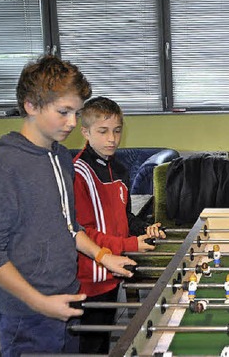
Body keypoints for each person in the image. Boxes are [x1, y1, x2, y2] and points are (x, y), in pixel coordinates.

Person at [0, 55, 135, 357]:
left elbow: (70, 227)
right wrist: (39, 302)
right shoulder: (5, 166)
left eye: (76, 112)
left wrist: (103, 256)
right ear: (31, 105)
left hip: (67, 298)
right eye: (63, 112)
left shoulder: (60, 158)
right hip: (27, 315)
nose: (72, 122)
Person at [73, 96, 165, 354]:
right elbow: (82, 232)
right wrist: (129, 244)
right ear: (86, 132)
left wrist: (144, 228)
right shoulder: (78, 173)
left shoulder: (121, 170)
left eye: (116, 130)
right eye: (102, 131)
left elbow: (125, 218)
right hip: (89, 277)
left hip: (114, 270)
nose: (111, 138)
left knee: (105, 339)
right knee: (91, 344)